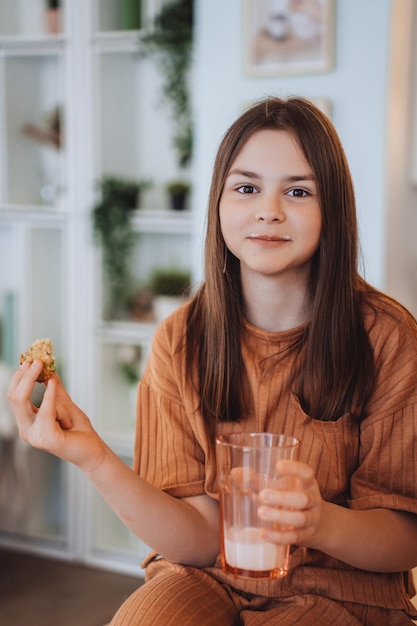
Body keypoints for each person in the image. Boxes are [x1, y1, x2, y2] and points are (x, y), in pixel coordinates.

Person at [8, 96, 417, 625]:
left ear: (333, 209)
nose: (269, 209)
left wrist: (319, 523)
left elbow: (406, 538)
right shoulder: (179, 340)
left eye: (298, 191)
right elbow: (198, 539)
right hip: (209, 579)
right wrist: (94, 457)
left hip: (342, 594)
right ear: (218, 204)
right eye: (247, 188)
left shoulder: (388, 338)